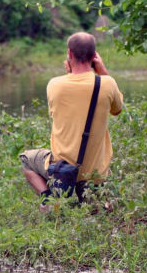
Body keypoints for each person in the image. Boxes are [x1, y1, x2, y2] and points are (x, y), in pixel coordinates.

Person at [19, 32, 123, 209]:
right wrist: (103, 71)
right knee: (95, 211)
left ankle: (48, 200)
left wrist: (69, 73)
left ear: (69, 53)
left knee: (26, 160)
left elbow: (56, 111)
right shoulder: (107, 84)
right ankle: (90, 199)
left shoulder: (54, 84)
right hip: (95, 172)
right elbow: (117, 109)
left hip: (63, 169)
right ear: (94, 56)